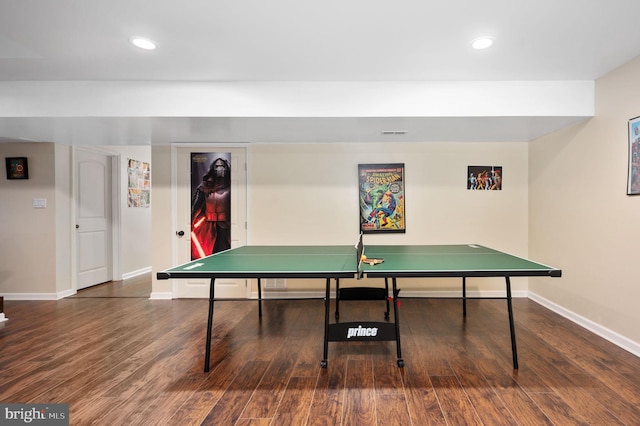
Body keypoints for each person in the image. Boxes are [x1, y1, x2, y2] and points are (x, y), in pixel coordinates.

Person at [190, 157, 231, 259]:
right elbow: (196, 206)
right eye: (217, 166)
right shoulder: (205, 186)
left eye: (222, 166)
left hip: (226, 226)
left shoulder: (231, 186)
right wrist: (190, 222)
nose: (220, 169)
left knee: (225, 251)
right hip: (208, 225)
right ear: (213, 168)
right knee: (208, 252)